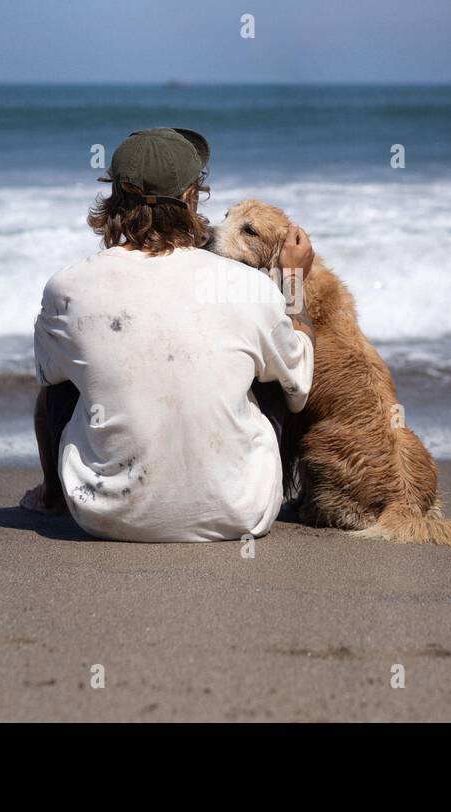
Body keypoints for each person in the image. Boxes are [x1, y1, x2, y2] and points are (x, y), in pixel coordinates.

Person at [22, 127, 315, 542]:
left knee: (59, 381)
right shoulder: (251, 288)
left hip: (104, 516)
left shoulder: (66, 287)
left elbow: (49, 380)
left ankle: (53, 497)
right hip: (240, 515)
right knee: (275, 370)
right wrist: (293, 283)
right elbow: (299, 389)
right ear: (192, 197)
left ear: (115, 199)